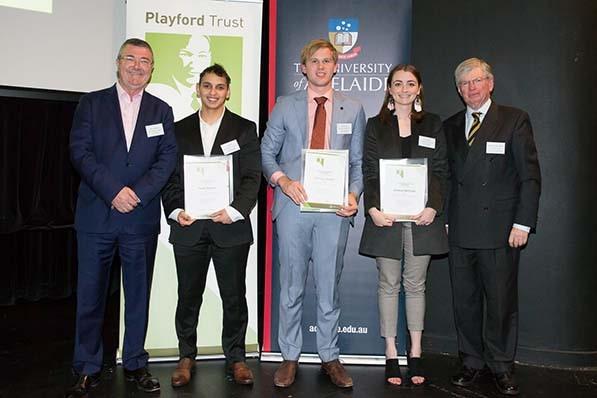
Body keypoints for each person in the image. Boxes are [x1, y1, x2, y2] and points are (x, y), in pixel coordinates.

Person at [66, 38, 177, 397]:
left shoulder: (161, 110)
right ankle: (87, 366)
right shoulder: (91, 103)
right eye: (130, 58)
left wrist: (139, 194)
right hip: (97, 215)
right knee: (91, 295)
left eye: (144, 60)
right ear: (118, 63)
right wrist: (113, 190)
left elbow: (166, 160)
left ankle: (135, 362)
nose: (136, 66)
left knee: (138, 295)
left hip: (140, 218)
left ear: (152, 68)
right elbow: (79, 152)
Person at [261, 39, 365, 389]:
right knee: (290, 286)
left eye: (327, 61)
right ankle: (289, 356)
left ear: (336, 66)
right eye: (314, 61)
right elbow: (266, 154)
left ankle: (329, 356)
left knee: (327, 288)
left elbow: (357, 163)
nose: (320, 67)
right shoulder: (284, 106)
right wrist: (284, 181)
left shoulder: (353, 109)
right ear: (303, 67)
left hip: (334, 212)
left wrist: (353, 194)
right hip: (293, 206)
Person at [444, 58, 541, 396]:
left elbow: (530, 177)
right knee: (465, 302)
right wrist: (443, 219)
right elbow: (444, 179)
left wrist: (523, 223)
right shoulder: (451, 125)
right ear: (458, 90)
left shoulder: (514, 120)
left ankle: (501, 365)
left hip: (501, 230)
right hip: (459, 230)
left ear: (490, 83)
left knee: (500, 302)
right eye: (464, 84)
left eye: (477, 80)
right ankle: (470, 362)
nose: (471, 88)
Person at [161, 64, 261, 387]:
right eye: (207, 86)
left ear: (228, 91)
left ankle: (236, 358)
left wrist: (234, 210)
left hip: (229, 227)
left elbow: (252, 178)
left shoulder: (245, 129)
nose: (213, 92)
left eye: (219, 87)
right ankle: (186, 356)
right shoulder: (178, 130)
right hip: (189, 228)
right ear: (198, 89)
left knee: (234, 297)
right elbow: (170, 178)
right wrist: (176, 211)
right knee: (188, 296)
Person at [358, 64, 449, 386]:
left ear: (419, 88)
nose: (405, 89)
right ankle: (391, 353)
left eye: (411, 83)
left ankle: (416, 352)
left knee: (416, 286)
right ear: (389, 89)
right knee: (388, 284)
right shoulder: (375, 126)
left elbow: (440, 170)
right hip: (387, 219)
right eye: (398, 84)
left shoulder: (433, 124)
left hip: (423, 219)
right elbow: (369, 171)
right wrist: (372, 208)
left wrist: (433, 206)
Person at [146, 33, 212, 121]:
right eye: (186, 54)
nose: (194, 62)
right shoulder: (155, 94)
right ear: (175, 56)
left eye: (202, 55)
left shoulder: (212, 98)